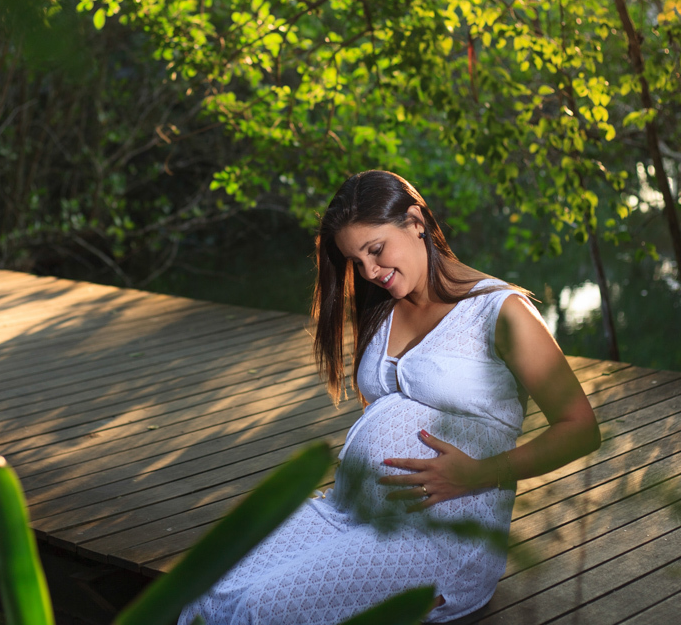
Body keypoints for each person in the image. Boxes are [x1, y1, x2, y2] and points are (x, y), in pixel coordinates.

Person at [178, 170, 601, 624]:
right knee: (205, 591)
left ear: (416, 221)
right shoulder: (383, 305)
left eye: (375, 250)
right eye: (355, 261)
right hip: (345, 511)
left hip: (437, 536)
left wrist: (482, 471)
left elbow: (580, 428)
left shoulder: (500, 311)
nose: (370, 272)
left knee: (261, 609)